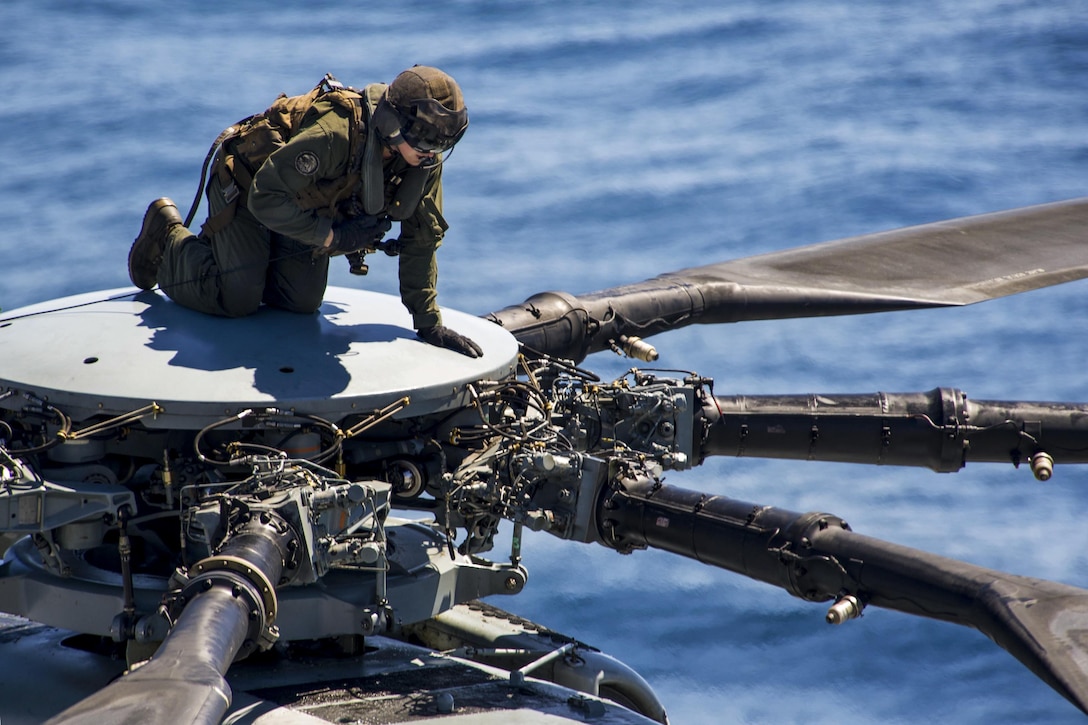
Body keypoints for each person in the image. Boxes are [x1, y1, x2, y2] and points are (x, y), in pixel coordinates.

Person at [127, 66, 482, 358]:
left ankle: (244, 257)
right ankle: (167, 236)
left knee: (301, 301)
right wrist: (333, 237)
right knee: (236, 299)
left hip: (300, 203)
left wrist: (428, 321)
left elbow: (423, 234)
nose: (434, 152)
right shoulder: (336, 135)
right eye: (426, 140)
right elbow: (265, 195)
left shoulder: (422, 160)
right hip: (249, 186)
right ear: (392, 125)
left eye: (444, 143)